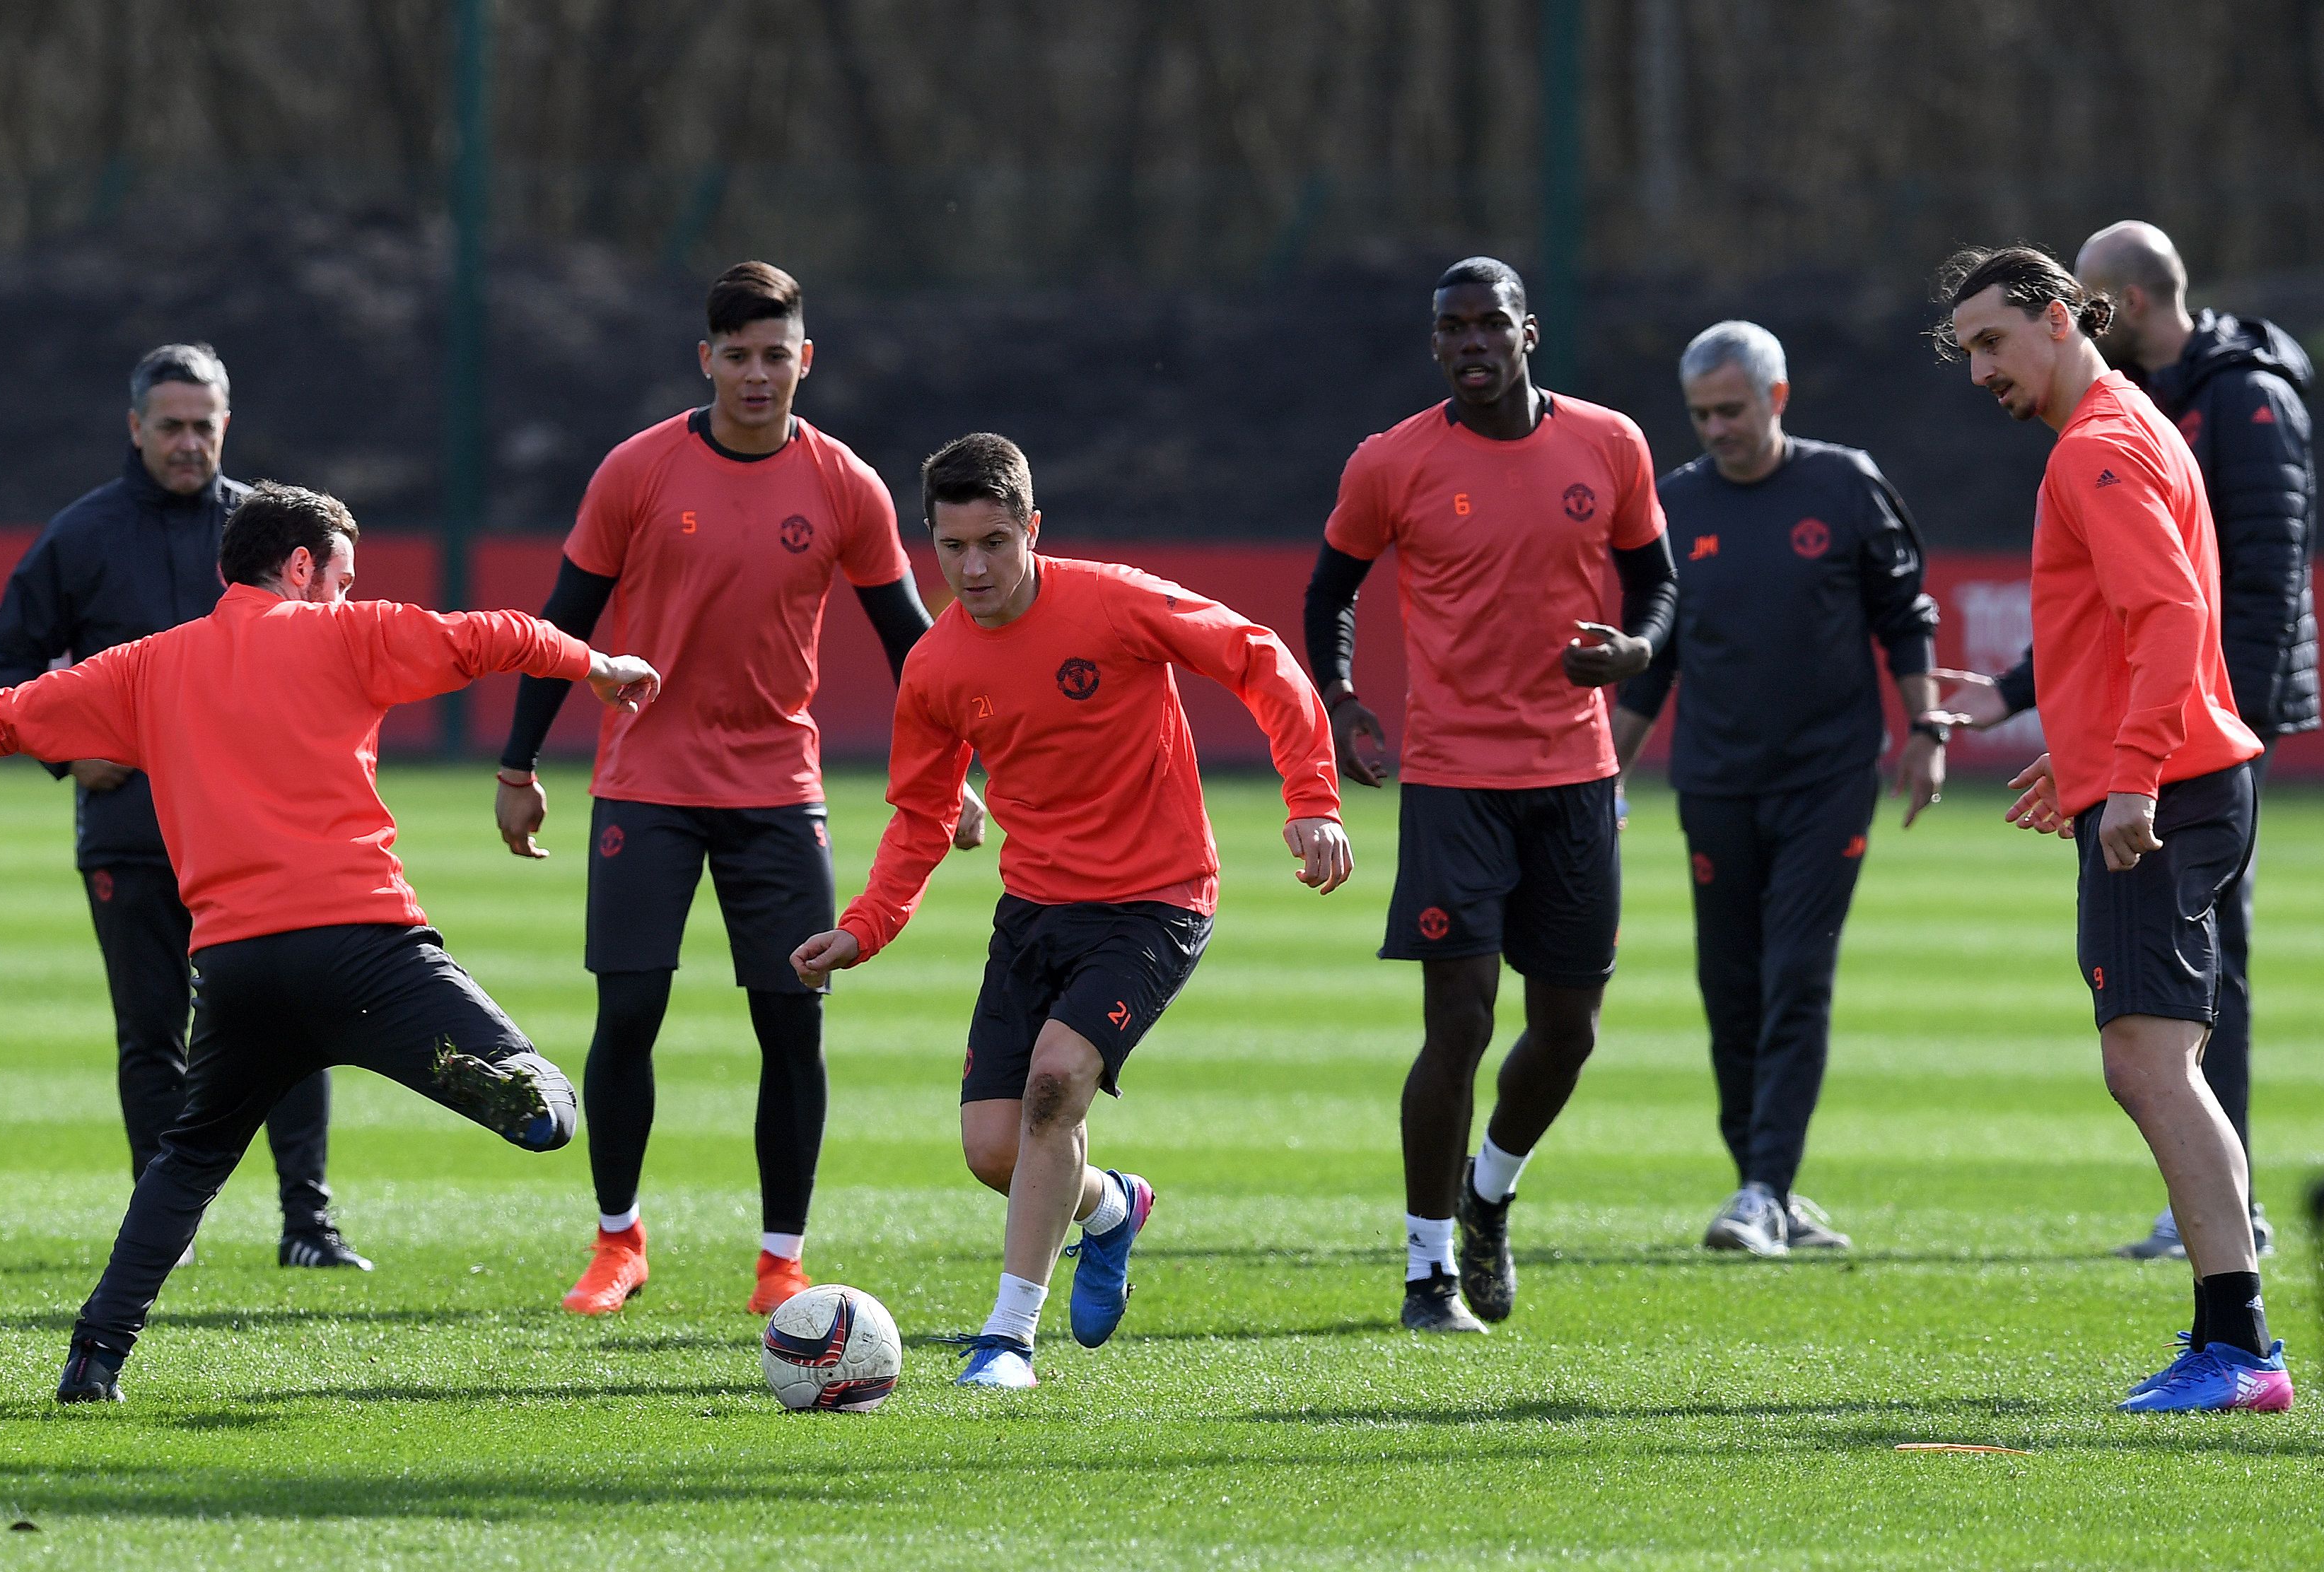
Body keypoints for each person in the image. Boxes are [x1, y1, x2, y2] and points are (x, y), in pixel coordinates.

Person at [0, 483, 662, 1402]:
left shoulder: (149, 665)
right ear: (300, 567)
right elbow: (496, 634)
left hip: (238, 968)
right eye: (341, 575)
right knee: (556, 1111)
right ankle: (503, 1089)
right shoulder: (345, 633)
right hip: (365, 945)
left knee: (190, 1162)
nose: (344, 591)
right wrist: (599, 664)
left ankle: (93, 1360)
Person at [791, 433, 1351, 1389]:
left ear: (1031, 531)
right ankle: (1109, 1208)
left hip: (1156, 900)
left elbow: (1258, 659)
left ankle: (1007, 1340)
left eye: (994, 542)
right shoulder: (932, 667)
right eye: (954, 546)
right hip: (1035, 907)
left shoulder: (1114, 601)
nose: (973, 567)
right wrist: (866, 925)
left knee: (1057, 1083)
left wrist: (1311, 802)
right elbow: (923, 815)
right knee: (992, 1151)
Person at [495, 261, 983, 1318]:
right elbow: (563, 616)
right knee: (627, 1011)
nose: (757, 375)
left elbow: (914, 646)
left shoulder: (845, 484)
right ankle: (618, 1242)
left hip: (776, 791)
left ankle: (780, 1261)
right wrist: (518, 765)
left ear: (805, 361)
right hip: (645, 783)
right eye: (738, 355)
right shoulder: (637, 471)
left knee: (791, 1024)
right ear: (704, 359)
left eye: (777, 356)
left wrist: (963, 774)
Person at [1935, 244, 2287, 1412]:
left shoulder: (2096, 447)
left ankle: (2237, 1346)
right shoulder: (2124, 424)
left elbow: (2173, 613)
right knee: (2160, 1064)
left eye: (1991, 340)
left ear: (2054, 317)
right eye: (1966, 349)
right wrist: (2087, 756)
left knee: (2147, 1062)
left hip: (2169, 792)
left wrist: (2127, 779)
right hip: (2174, 777)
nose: (1977, 367)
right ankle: (2234, 1337)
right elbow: (2129, 630)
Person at [1300, 257, 1676, 1334]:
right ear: (1435, 346)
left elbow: (1654, 577)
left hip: (1573, 778)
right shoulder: (1392, 462)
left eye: (1488, 324)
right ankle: (1426, 1275)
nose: (1470, 342)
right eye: (1450, 328)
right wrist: (1341, 696)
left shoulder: (1609, 444)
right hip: (1453, 781)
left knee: (1566, 1034)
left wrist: (1636, 647)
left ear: (1527, 334)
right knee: (1457, 1024)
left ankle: (1487, 1195)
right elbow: (1332, 586)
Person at [0, 344, 364, 1271]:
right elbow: (7, 667)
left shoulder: (270, 534)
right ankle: (171, 1228)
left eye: (204, 425)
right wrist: (71, 753)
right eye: (171, 426)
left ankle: (308, 1225)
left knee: (294, 1029)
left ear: (226, 423)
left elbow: (329, 651)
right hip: (134, 834)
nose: (189, 443)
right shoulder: (82, 534)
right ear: (135, 429)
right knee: (151, 1036)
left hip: (259, 836)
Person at [1611, 320, 1947, 1256]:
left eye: (1731, 409)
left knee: (1795, 973)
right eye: (1700, 414)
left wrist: (1925, 729)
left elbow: (1903, 616)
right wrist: (1602, 776)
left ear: (1777, 399)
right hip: (1716, 783)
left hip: (1827, 779)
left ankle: (1762, 1186)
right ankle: (1764, 1188)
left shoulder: (1844, 485)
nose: (1715, 428)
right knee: (1728, 989)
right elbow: (1653, 661)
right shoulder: (1672, 507)